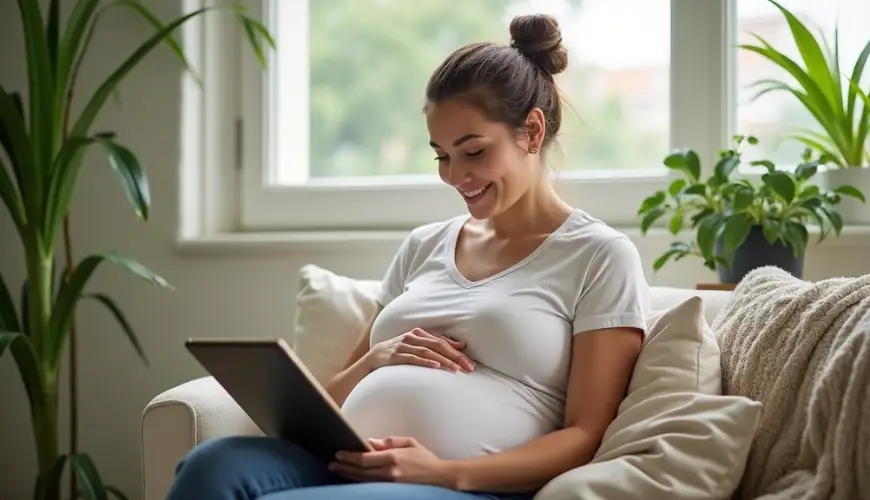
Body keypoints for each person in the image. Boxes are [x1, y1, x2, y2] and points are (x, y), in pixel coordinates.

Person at [166, 13, 650, 500]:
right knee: (210, 466)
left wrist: (440, 472)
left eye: (474, 151)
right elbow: (329, 403)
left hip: (466, 486)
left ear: (531, 131)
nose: (455, 176)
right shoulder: (424, 245)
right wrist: (375, 359)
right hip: (346, 463)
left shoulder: (598, 256)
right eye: (441, 155)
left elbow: (586, 437)